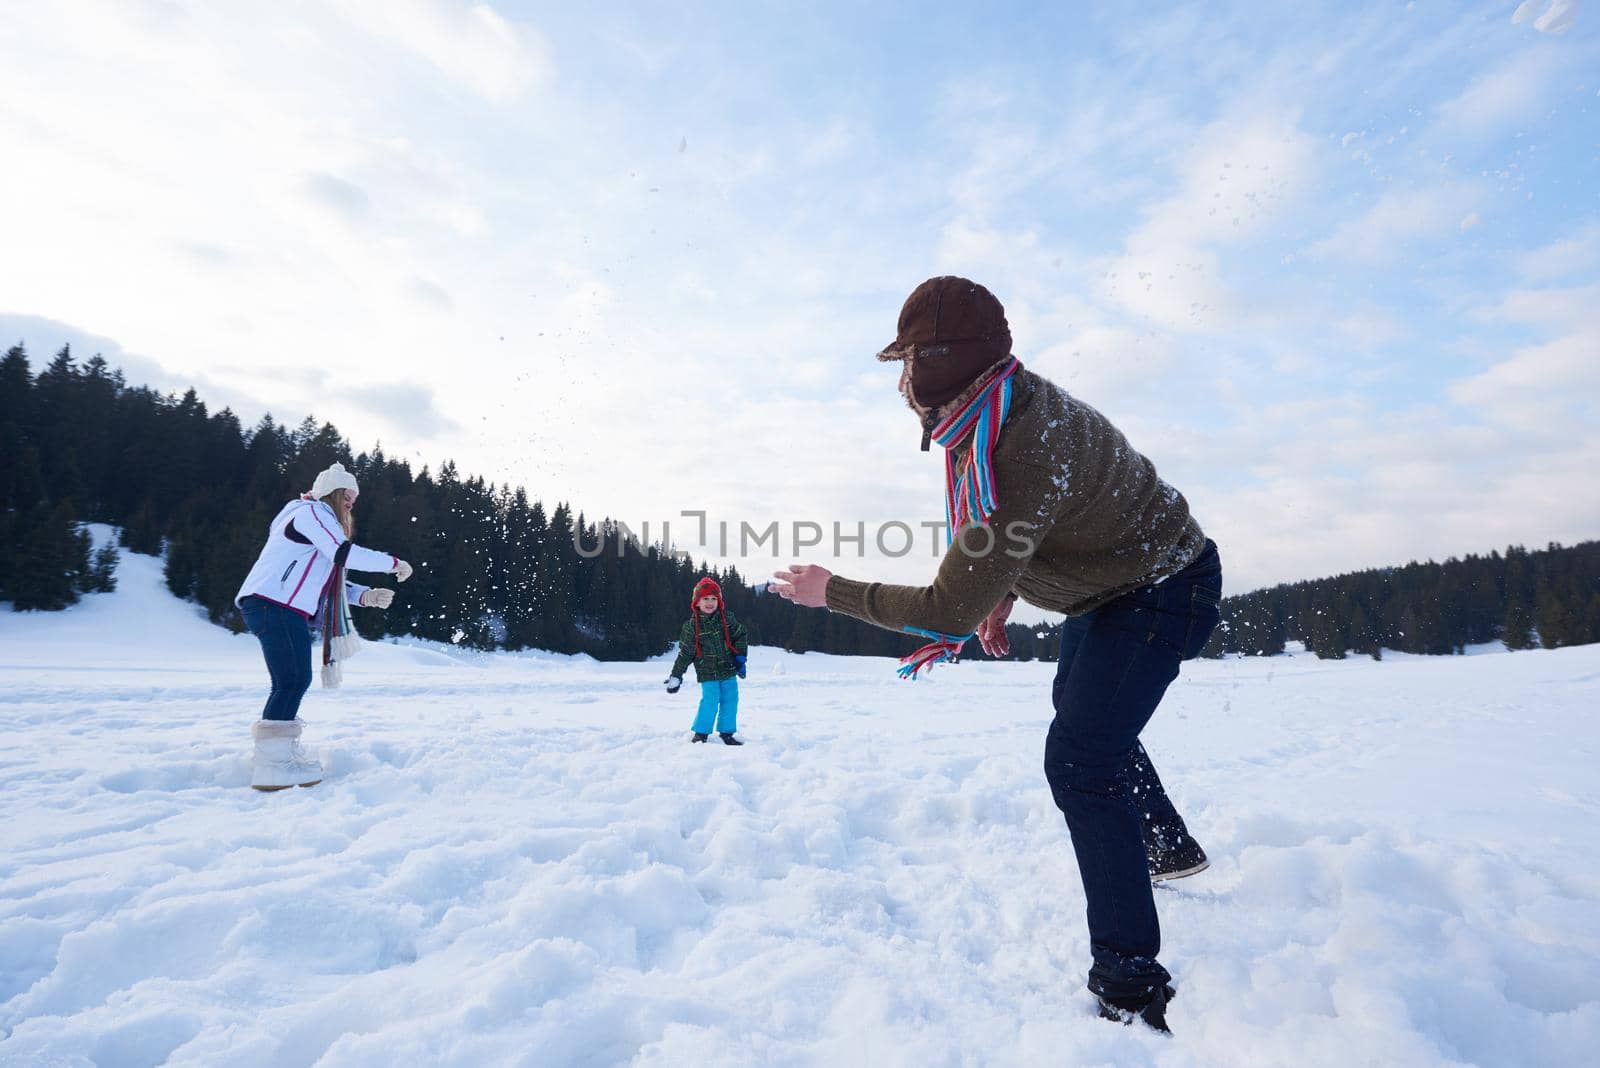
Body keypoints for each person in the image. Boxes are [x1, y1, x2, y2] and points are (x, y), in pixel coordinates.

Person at [772, 276, 1221, 1034]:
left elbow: (948, 601)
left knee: (1081, 758)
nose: (910, 392)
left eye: (914, 374)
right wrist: (1002, 592)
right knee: (1087, 726)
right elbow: (1021, 537)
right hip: (1112, 587)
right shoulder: (998, 412)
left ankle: (1129, 979)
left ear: (942, 372)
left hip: (1161, 588)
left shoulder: (1015, 452)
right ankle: (1164, 845)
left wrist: (833, 591)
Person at [234, 462, 412, 790]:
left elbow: (328, 583)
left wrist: (367, 596)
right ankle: (273, 764)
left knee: (290, 680)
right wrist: (393, 563)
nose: (352, 502)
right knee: (292, 680)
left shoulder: (317, 527)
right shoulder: (310, 512)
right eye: (348, 494)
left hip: (278, 606)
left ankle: (274, 755)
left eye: (355, 497)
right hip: (274, 604)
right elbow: (343, 554)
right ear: (330, 492)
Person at [664, 577, 749, 744]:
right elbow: (686, 653)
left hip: (728, 668)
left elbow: (741, 634)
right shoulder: (691, 627)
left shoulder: (727, 618)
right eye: (705, 599)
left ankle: (727, 732)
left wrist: (740, 657)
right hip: (707, 671)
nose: (710, 602)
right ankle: (701, 733)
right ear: (697, 602)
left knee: (731, 699)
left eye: (713, 598)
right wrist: (676, 675)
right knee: (711, 699)